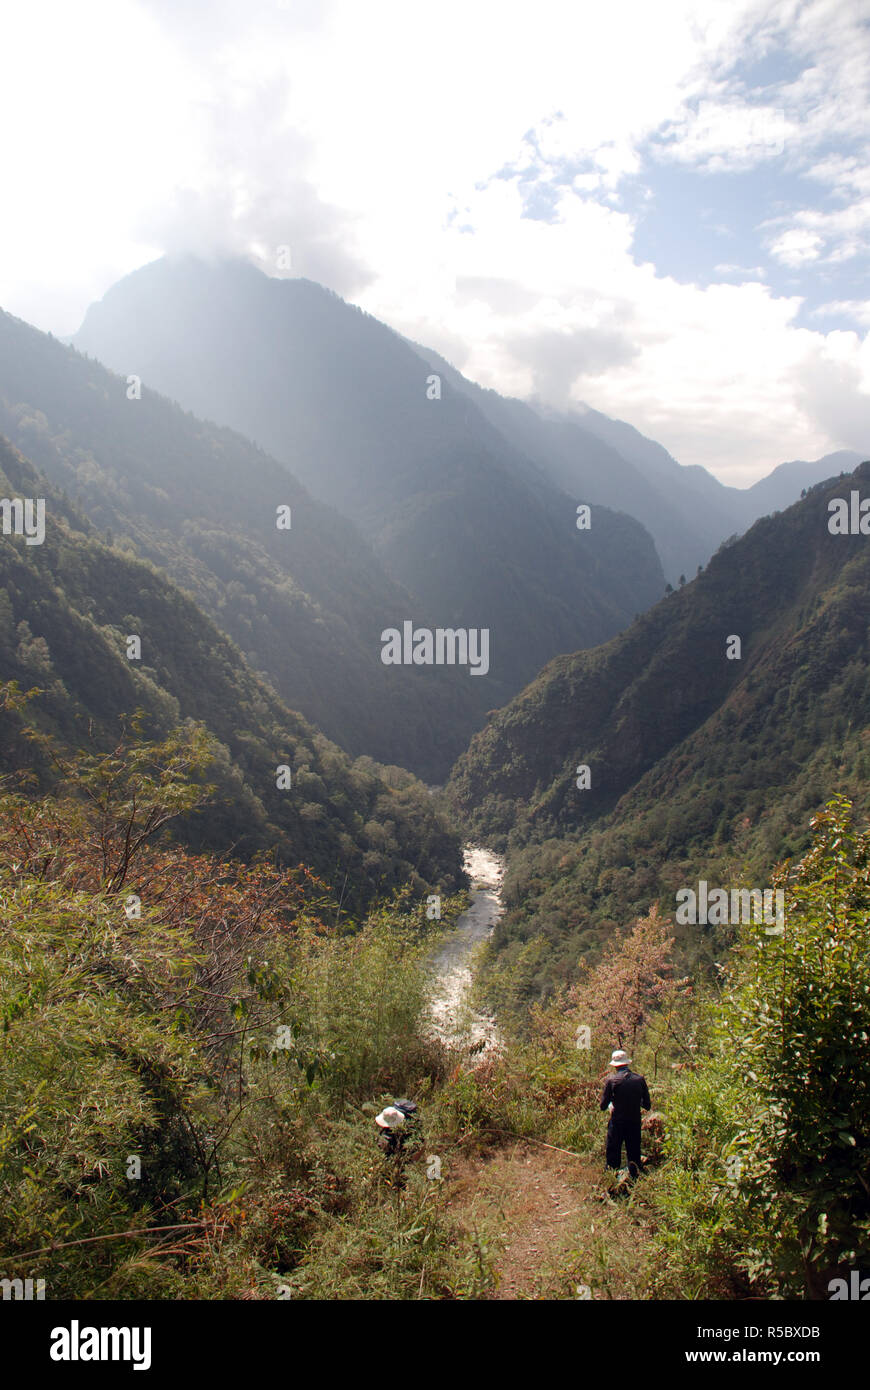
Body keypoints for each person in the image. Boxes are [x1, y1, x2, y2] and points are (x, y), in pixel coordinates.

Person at [599, 1049, 651, 1179]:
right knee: (634, 1155)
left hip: (617, 1123)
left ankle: (611, 1183)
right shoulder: (639, 1079)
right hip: (634, 1122)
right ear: (627, 1063)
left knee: (613, 1154)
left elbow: (603, 1106)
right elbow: (647, 1105)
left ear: (615, 1065)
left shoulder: (611, 1081)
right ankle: (634, 1183)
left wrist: (612, 1105)